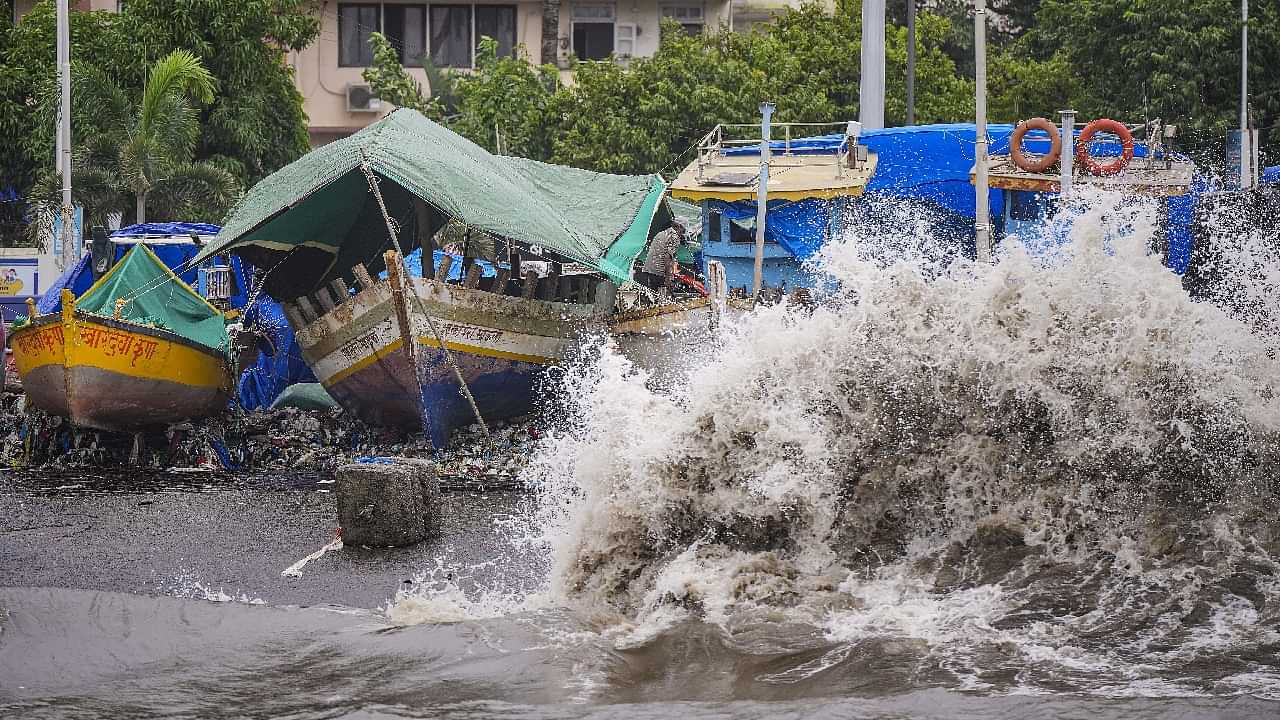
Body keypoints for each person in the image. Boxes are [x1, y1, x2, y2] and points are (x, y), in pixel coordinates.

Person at [636, 220, 684, 293]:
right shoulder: (674, 237)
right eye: (683, 231)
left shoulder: (661, 233)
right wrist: (668, 277)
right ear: (679, 227)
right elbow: (667, 257)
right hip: (659, 270)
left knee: (653, 293)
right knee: (663, 295)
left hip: (649, 268)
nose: (682, 234)